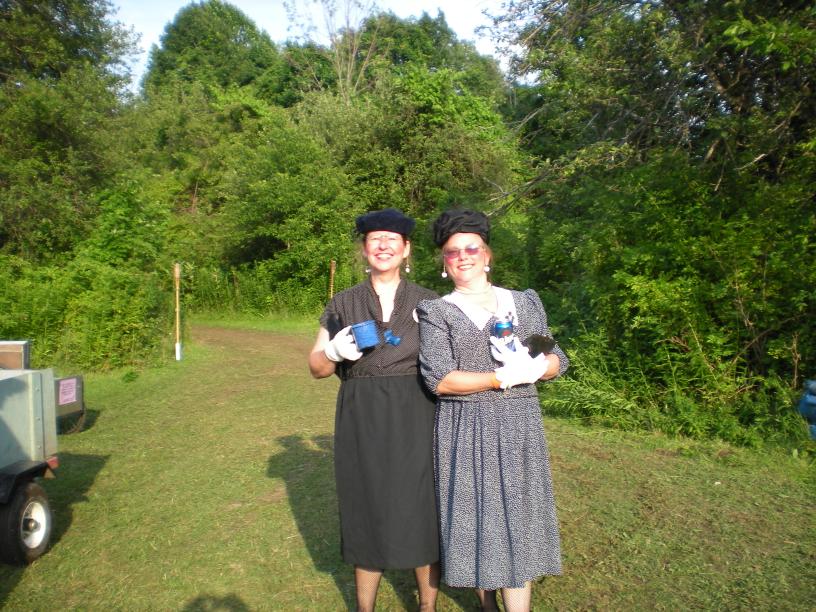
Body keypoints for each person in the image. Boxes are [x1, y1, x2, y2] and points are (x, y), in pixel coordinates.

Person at [416, 209, 568, 612]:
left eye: (472, 248)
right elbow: (441, 380)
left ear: (487, 255)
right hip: (467, 425)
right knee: (482, 522)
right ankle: (487, 605)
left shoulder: (524, 303)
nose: (463, 257)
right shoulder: (437, 311)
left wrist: (537, 367)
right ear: (445, 263)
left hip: (520, 424)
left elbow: (556, 358)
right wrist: (500, 377)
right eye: (453, 252)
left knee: (518, 519)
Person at [308, 208, 441, 612]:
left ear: (406, 249)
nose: (383, 246)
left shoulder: (430, 302)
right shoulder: (343, 302)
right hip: (361, 413)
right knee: (364, 502)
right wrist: (333, 352)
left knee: (419, 504)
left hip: (415, 412)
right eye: (374, 239)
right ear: (364, 249)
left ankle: (427, 607)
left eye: (391, 239)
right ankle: (365, 608)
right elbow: (316, 367)